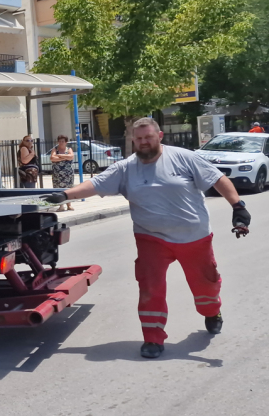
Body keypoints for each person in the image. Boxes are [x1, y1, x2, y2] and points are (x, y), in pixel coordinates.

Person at [43, 117, 251, 359]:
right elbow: (97, 184)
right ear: (133, 140)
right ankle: (153, 337)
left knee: (205, 284)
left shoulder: (184, 158)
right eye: (139, 138)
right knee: (150, 287)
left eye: (148, 137)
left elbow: (218, 179)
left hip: (194, 237)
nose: (143, 142)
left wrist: (238, 206)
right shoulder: (126, 168)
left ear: (159, 136)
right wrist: (65, 195)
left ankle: (212, 311)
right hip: (151, 238)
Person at [49, 135, 75, 211]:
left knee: (68, 189)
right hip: (57, 174)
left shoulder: (69, 149)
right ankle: (61, 206)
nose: (61, 143)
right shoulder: (54, 149)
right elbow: (52, 158)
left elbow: (71, 156)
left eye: (62, 141)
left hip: (68, 174)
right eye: (59, 141)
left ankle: (69, 205)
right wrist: (65, 157)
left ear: (66, 142)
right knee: (59, 189)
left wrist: (59, 156)